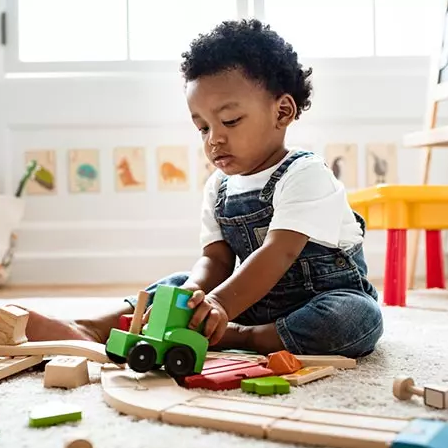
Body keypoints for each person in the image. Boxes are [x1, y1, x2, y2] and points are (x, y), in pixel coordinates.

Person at [25, 18, 383, 358]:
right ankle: (92, 328)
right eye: (203, 127)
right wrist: (191, 295)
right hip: (248, 300)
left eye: (229, 121)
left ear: (282, 112)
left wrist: (221, 305)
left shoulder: (305, 173)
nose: (215, 139)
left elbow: (279, 253)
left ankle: (243, 337)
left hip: (317, 299)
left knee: (353, 318)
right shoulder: (219, 187)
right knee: (177, 284)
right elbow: (216, 260)